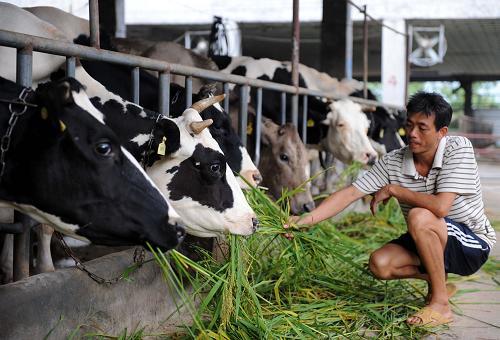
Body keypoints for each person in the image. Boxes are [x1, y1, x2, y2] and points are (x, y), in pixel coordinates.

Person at [284, 92, 496, 327]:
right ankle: (439, 280)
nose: (412, 134)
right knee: (380, 264)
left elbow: (441, 207)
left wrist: (396, 190)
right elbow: (350, 193)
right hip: (429, 237)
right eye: (410, 125)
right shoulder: (394, 161)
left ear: (442, 132)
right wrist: (306, 220)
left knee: (419, 215)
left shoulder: (457, 148)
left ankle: (440, 304)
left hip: (473, 243)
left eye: (422, 128)